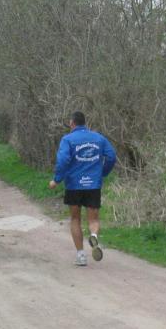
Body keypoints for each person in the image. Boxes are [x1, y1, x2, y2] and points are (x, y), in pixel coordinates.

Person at [49, 111, 116, 266]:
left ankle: (81, 255)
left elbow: (63, 160)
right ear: (85, 123)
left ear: (72, 123)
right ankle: (94, 236)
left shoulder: (67, 139)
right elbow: (111, 156)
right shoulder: (99, 138)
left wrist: (57, 179)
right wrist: (103, 173)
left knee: (75, 219)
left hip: (74, 185)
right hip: (93, 185)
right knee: (93, 219)